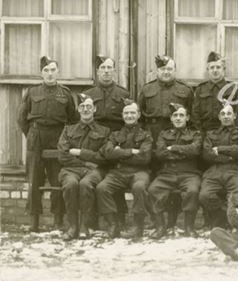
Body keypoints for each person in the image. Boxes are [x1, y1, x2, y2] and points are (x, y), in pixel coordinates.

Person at [18, 56, 78, 232]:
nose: (50, 74)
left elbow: (73, 120)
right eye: (46, 70)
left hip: (58, 136)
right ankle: (34, 221)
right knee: (34, 179)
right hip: (36, 137)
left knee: (57, 178)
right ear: (41, 73)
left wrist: (65, 139)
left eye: (53, 70)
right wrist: (30, 134)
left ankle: (58, 219)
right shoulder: (32, 92)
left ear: (58, 72)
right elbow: (21, 118)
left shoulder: (65, 93)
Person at [97, 99, 153, 240]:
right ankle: (113, 223)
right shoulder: (115, 135)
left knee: (139, 187)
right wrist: (131, 152)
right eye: (126, 113)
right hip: (118, 172)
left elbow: (144, 157)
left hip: (139, 171)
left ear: (139, 115)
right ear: (122, 115)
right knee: (102, 188)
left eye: (132, 113)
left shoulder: (146, 134)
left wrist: (119, 152)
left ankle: (138, 225)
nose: (129, 116)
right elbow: (108, 153)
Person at [57, 94, 111, 240]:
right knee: (70, 184)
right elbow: (63, 156)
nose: (85, 109)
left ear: (94, 109)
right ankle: (73, 226)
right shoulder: (68, 130)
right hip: (70, 170)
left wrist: (81, 153)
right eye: (82, 107)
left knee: (86, 184)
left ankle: (84, 226)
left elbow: (104, 156)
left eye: (89, 106)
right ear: (78, 110)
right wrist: (86, 162)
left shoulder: (104, 131)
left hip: (94, 171)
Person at [147, 103, 202, 238]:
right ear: (171, 118)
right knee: (153, 189)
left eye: (181, 115)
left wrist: (173, 148)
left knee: (193, 191)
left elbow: (195, 150)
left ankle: (189, 227)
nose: (178, 118)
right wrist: (184, 152)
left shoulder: (195, 134)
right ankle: (160, 227)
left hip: (189, 173)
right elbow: (160, 153)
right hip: (167, 173)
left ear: (187, 118)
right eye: (175, 115)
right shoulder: (163, 134)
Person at [198, 103, 238, 230]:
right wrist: (229, 156)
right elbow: (207, 154)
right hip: (214, 170)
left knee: (236, 195)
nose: (226, 116)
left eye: (229, 113)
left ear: (234, 116)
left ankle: (228, 222)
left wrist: (220, 149)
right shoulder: (211, 134)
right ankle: (224, 217)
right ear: (219, 117)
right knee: (204, 195)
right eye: (223, 114)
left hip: (234, 170)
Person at [139, 55, 194, 142]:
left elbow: (191, 116)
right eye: (163, 69)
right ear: (157, 71)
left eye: (169, 69)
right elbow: (140, 116)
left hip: (177, 134)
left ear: (175, 71)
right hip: (153, 133)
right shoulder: (146, 89)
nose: (166, 72)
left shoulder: (185, 90)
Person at [192, 51, 238, 133]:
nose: (215, 70)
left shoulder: (233, 89)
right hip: (206, 132)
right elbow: (195, 115)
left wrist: (234, 134)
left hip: (228, 134)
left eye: (218, 67)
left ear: (224, 69)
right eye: (212, 67)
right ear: (207, 70)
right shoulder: (200, 89)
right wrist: (201, 134)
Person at [85, 55, 129, 132]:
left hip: (116, 134)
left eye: (109, 67)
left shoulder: (124, 94)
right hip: (94, 135)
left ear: (114, 71)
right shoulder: (88, 95)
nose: (106, 71)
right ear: (98, 71)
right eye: (103, 67)